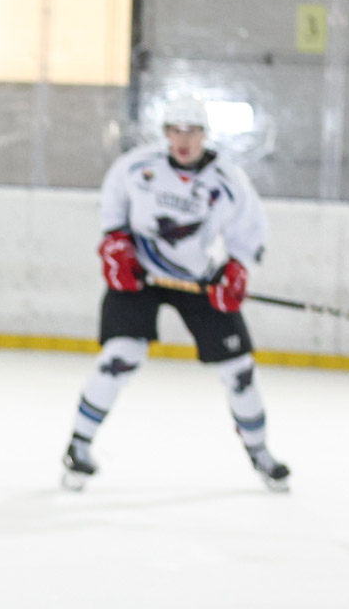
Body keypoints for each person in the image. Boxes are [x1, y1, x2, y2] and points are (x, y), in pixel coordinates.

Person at [62, 93, 289, 492]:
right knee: (120, 356)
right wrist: (116, 244)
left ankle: (260, 453)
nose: (183, 139)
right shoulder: (136, 167)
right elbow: (113, 207)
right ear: (165, 132)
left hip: (199, 278)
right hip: (140, 276)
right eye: (175, 130)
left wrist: (237, 270)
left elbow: (249, 232)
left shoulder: (228, 180)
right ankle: (78, 446)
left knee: (239, 370)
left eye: (192, 131)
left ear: (205, 134)